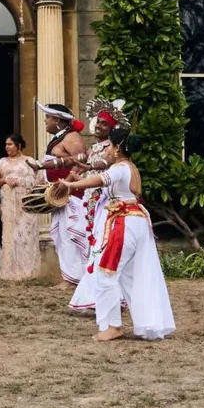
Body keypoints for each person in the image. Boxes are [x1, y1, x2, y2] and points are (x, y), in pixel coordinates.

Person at [51, 125, 175, 342]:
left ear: (117, 148)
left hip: (123, 223)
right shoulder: (129, 167)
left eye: (109, 145)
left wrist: (71, 184)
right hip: (134, 221)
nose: (107, 149)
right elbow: (104, 174)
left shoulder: (120, 168)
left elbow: (100, 180)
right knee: (129, 276)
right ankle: (145, 322)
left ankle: (113, 326)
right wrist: (85, 169)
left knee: (105, 273)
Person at [69, 98, 125, 312]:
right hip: (90, 201)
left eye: (104, 123)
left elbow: (104, 164)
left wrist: (88, 167)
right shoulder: (93, 148)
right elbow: (78, 165)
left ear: (112, 128)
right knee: (93, 243)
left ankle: (105, 294)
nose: (99, 126)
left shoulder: (114, 149)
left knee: (103, 245)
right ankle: (96, 292)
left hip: (105, 202)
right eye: (98, 122)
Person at [38, 102, 89, 290]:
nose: (45, 121)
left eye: (48, 117)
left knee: (73, 233)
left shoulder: (72, 137)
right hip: (59, 195)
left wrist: (66, 183)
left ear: (57, 120)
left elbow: (81, 164)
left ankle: (80, 277)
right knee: (62, 236)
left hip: (72, 194)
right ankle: (70, 277)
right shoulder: (60, 137)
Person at [0, 133, 43, 281]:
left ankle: (28, 270)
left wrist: (22, 181)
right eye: (6, 145)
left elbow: (40, 180)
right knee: (10, 234)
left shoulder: (30, 161)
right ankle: (10, 271)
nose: (7, 147)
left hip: (25, 203)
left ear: (18, 145)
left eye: (10, 144)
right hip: (9, 202)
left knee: (25, 233)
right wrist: (5, 180)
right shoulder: (2, 162)